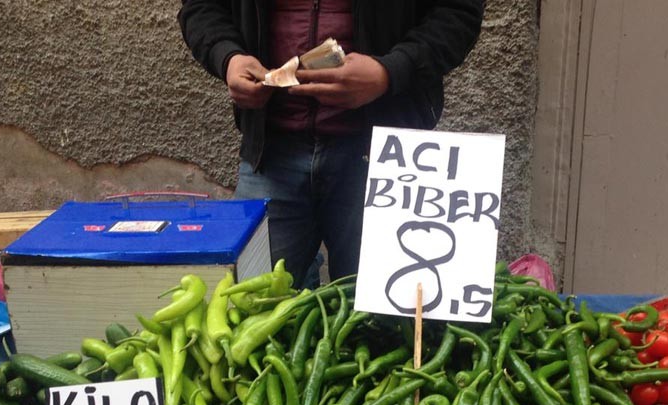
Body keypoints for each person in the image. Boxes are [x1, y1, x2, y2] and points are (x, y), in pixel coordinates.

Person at [178, 1, 485, 288]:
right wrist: (228, 57)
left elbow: (458, 11)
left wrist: (390, 71)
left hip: (382, 157)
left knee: (379, 322)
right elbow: (201, 7)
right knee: (252, 312)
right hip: (272, 150)